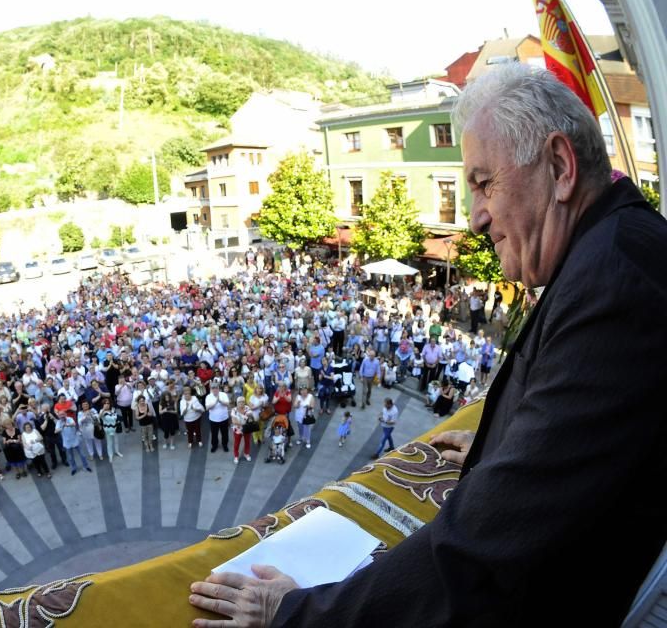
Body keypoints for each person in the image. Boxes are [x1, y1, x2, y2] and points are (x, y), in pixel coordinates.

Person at [189, 63, 667, 627]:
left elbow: (479, 549)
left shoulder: (617, 281)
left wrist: (293, 613)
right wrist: (508, 442)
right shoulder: (615, 250)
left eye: (484, 182)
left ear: (560, 168)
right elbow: (583, 434)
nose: (477, 216)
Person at [205, 383, 231, 453]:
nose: (215, 389)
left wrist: (220, 401)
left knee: (225, 433)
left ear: (219, 388)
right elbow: (207, 408)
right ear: (211, 389)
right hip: (213, 419)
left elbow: (228, 404)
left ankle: (225, 445)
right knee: (214, 434)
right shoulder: (208, 396)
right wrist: (215, 402)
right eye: (213, 388)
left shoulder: (223, 394)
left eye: (216, 388)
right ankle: (214, 445)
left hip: (224, 418)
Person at [229, 398, 253, 463]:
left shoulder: (247, 408)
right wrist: (244, 422)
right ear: (237, 403)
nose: (241, 403)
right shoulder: (234, 410)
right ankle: (236, 456)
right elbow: (234, 421)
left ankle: (246, 454)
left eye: (243, 402)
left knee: (247, 442)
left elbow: (250, 419)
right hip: (237, 429)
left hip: (247, 429)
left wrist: (242, 422)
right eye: (240, 402)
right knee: (237, 443)